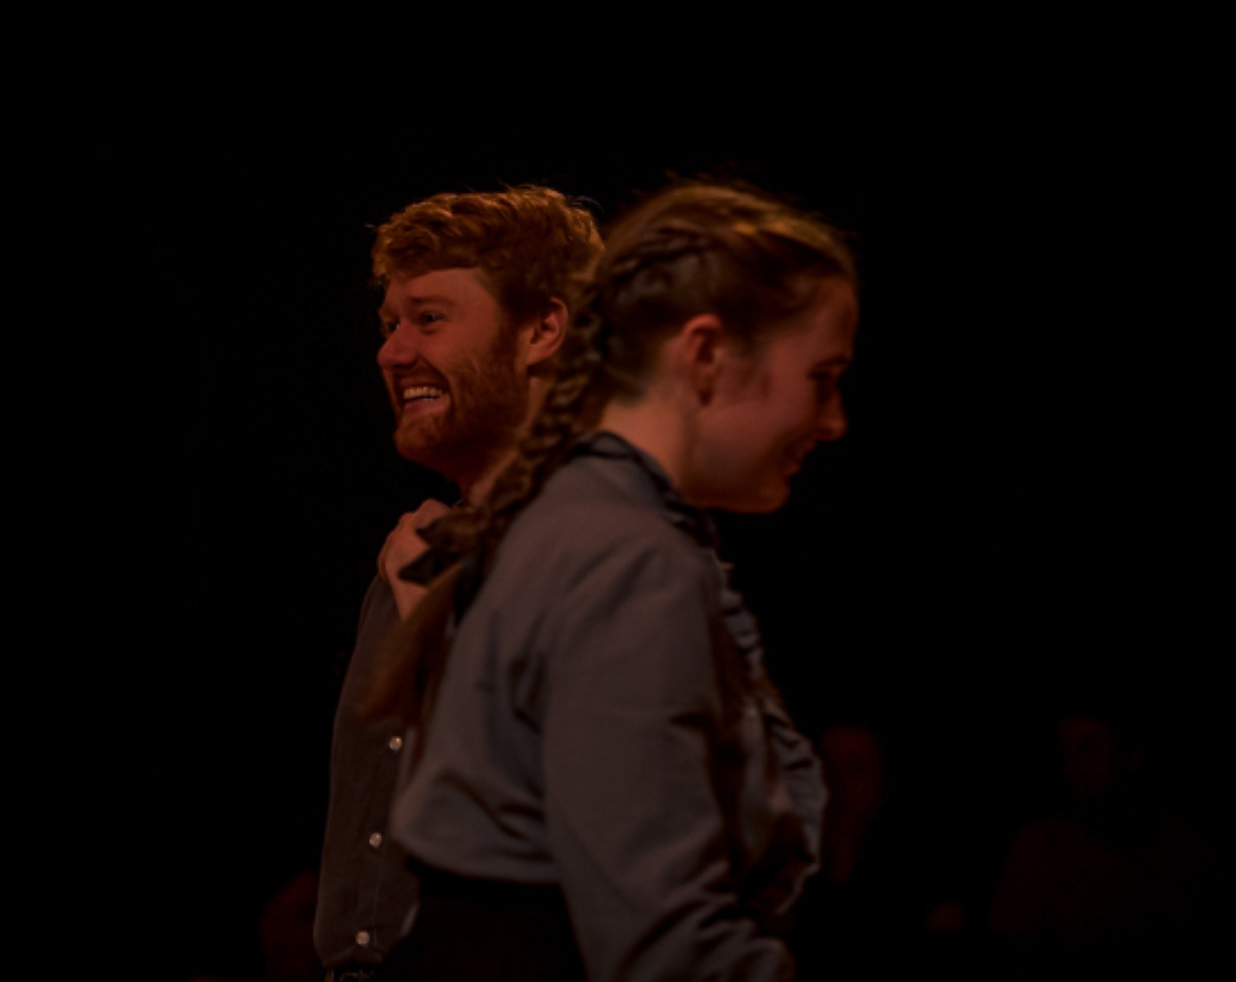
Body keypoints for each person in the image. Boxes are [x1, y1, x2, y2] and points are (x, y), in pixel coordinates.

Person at [378, 180, 855, 981]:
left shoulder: (608, 546)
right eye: (821, 375)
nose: (834, 419)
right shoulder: (584, 556)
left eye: (428, 318)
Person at [315, 186, 604, 981]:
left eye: (429, 320)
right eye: (390, 325)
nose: (393, 352)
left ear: (543, 329)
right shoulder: (423, 545)